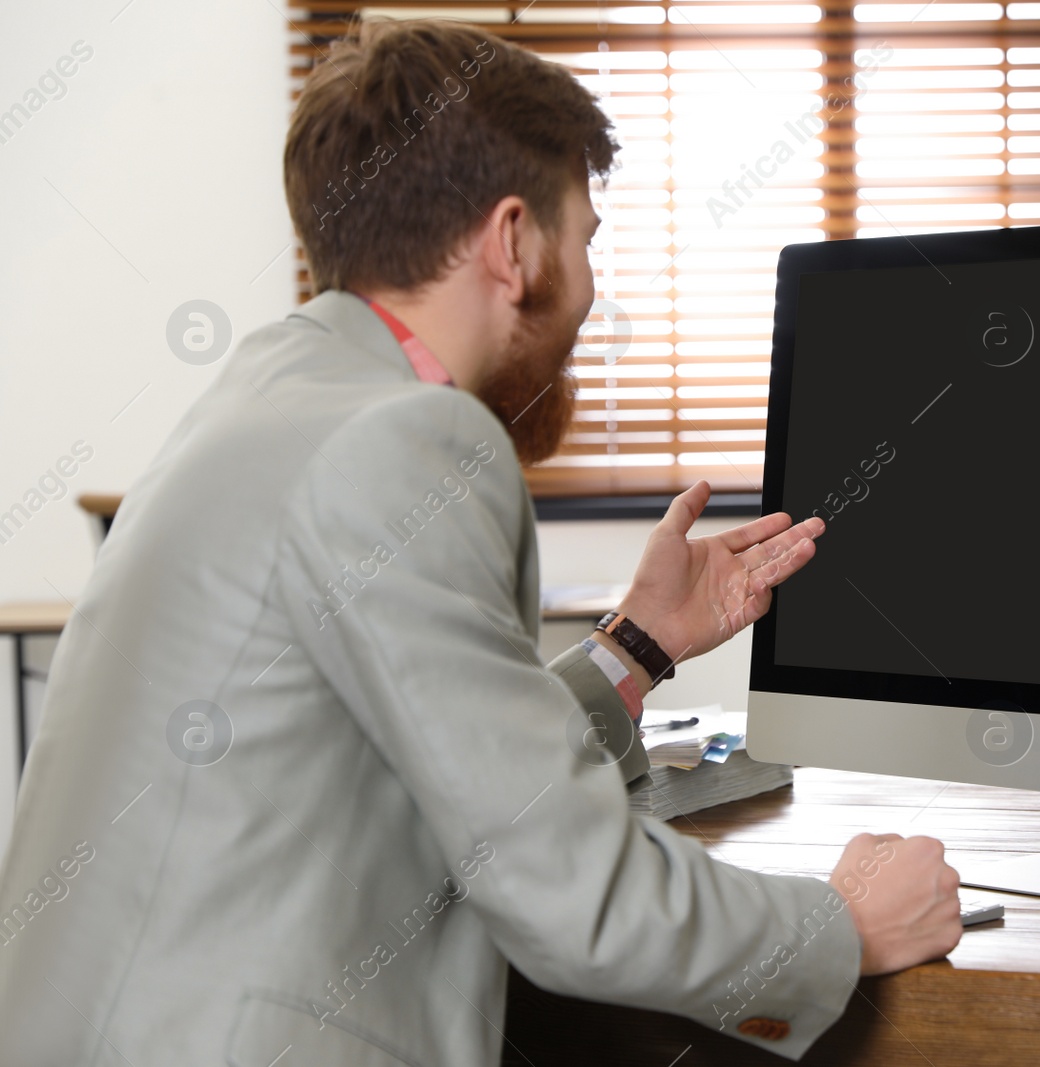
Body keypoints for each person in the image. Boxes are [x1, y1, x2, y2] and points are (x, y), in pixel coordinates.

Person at [0, 16, 962, 1065]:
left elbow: (419, 763)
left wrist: (634, 646)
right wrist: (838, 924)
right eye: (587, 238)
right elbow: (567, 887)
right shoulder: (411, 437)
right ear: (514, 243)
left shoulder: (273, 396)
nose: (594, 290)